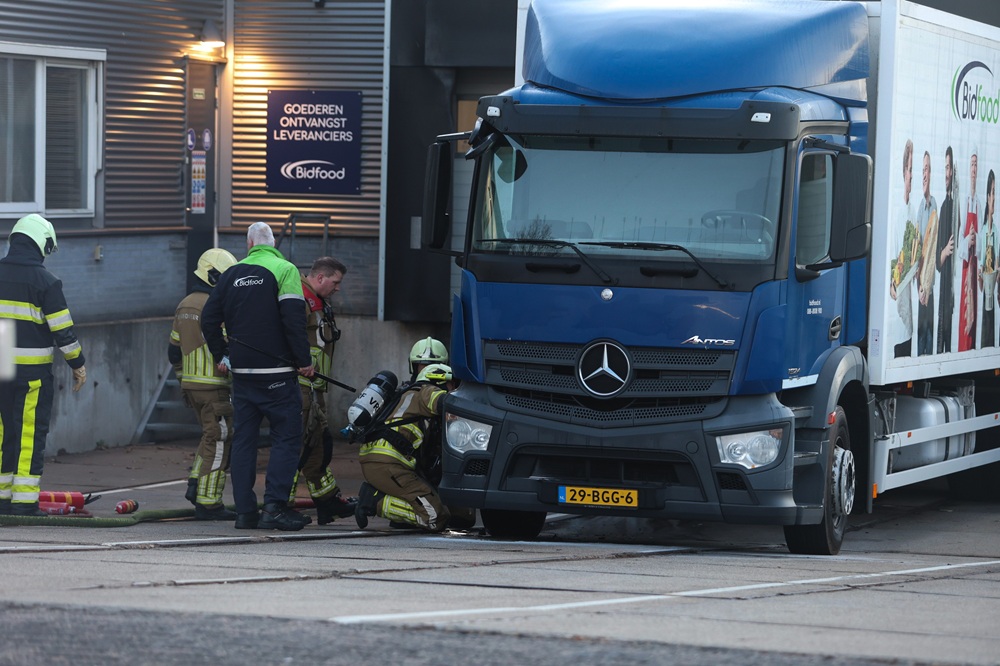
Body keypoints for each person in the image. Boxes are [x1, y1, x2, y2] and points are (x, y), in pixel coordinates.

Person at [201, 221, 315, 531]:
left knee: (244, 442)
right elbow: (293, 320)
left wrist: (222, 354)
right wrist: (303, 360)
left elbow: (208, 319)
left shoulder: (230, 276)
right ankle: (275, 508)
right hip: (277, 373)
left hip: (243, 374)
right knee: (286, 437)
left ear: (249, 243)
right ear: (272, 243)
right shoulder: (284, 269)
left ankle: (245, 512)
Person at [0, 214, 87, 516]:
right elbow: (62, 330)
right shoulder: (47, 282)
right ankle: (23, 502)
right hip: (31, 376)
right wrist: (78, 364)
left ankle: (2, 498)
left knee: (3, 432)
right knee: (28, 434)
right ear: (42, 244)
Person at [169, 248, 238, 521]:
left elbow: (173, 350)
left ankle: (196, 483)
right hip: (214, 385)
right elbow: (227, 344)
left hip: (191, 387)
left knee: (208, 437)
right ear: (213, 275)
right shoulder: (216, 306)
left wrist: (182, 379)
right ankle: (209, 503)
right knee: (220, 439)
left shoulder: (184, 303)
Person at [290, 256, 357, 524]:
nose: (338, 288)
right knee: (297, 447)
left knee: (318, 444)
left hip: (316, 387)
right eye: (335, 282)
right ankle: (281, 503)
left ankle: (328, 502)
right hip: (302, 386)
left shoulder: (319, 303)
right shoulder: (299, 300)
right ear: (320, 278)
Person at [354, 362, 456, 532]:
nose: (453, 389)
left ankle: (398, 513)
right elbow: (445, 402)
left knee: (434, 506)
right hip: (389, 465)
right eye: (451, 384)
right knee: (436, 517)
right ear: (438, 380)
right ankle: (375, 501)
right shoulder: (425, 391)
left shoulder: (405, 396)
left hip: (383, 462)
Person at [890, 139, 917, 358]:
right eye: (909, 169)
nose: (912, 175)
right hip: (898, 316)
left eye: (913, 169)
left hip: (909, 314)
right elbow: (896, 261)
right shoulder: (899, 215)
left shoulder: (912, 213)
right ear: (903, 173)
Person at [916, 151, 938, 356]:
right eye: (922, 169)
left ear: (931, 174)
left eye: (927, 169)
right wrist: (919, 287)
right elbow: (917, 252)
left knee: (928, 334)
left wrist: (926, 287)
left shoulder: (934, 208)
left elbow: (931, 252)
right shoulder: (919, 209)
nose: (924, 174)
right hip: (919, 288)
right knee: (920, 334)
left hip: (928, 287)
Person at [936, 146, 957, 354]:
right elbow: (937, 260)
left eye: (949, 167)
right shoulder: (943, 207)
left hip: (951, 293)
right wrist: (944, 252)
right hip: (942, 292)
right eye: (945, 167)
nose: (947, 173)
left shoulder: (954, 205)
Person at [958, 149, 979, 351]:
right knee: (964, 321)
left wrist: (976, 240)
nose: (974, 169)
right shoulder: (964, 202)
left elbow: (980, 243)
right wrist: (968, 241)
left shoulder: (978, 202)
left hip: (974, 269)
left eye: (976, 165)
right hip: (965, 271)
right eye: (971, 164)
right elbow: (958, 242)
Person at [979, 170, 998, 348]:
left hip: (993, 288)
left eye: (995, 193)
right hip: (985, 289)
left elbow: (997, 260)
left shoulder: (995, 232)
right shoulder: (984, 231)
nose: (994, 198)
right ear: (987, 196)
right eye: (992, 193)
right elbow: (981, 265)